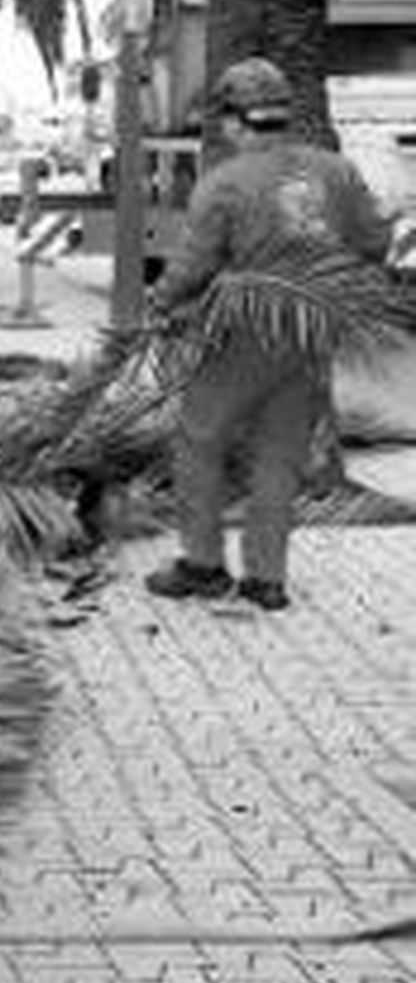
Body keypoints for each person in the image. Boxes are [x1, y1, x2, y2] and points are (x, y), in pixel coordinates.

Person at [145, 55, 392, 613]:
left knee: (198, 441)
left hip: (243, 335)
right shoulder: (338, 171)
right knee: (279, 454)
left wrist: (159, 307)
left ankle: (203, 565)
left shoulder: (225, 183)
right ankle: (266, 579)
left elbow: (191, 267)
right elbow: (374, 245)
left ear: (234, 120)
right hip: (310, 334)